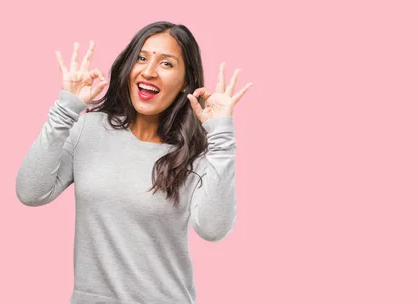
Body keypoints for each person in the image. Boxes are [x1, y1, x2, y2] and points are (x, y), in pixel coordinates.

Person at [15, 21, 252, 304]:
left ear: (185, 82)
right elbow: (31, 192)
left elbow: (213, 230)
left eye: (166, 64)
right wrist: (65, 109)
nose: (149, 71)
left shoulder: (195, 154)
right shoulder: (87, 130)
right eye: (141, 58)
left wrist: (222, 137)